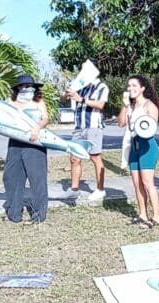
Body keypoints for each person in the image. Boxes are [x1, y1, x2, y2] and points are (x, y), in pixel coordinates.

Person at [3, 74, 49, 224]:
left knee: (37, 179)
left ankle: (38, 214)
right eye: (24, 86)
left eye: (30, 86)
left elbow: (45, 118)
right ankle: (14, 212)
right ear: (18, 88)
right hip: (15, 144)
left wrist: (37, 128)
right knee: (12, 177)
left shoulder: (38, 101)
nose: (27, 89)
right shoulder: (10, 101)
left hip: (35, 143)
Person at [117, 75, 159, 228]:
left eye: (134, 85)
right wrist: (125, 106)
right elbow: (122, 123)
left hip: (147, 146)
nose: (131, 89)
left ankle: (156, 217)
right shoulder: (130, 106)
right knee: (137, 183)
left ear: (142, 88)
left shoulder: (149, 105)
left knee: (148, 182)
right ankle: (143, 214)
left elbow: (152, 128)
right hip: (133, 146)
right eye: (129, 86)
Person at [63, 62, 109, 201]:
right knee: (74, 158)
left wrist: (81, 99)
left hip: (93, 126)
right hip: (79, 126)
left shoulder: (101, 87)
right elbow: (66, 98)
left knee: (95, 157)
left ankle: (100, 189)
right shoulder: (81, 87)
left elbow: (100, 104)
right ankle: (74, 189)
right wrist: (67, 95)